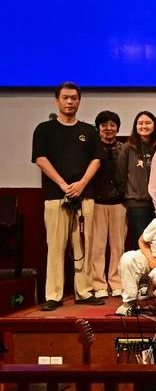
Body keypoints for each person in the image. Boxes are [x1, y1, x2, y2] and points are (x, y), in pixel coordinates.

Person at [33, 82, 104, 311]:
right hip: (56, 195)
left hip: (84, 196)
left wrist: (81, 184)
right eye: (65, 98)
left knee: (84, 244)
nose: (70, 102)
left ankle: (84, 291)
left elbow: (96, 160)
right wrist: (64, 185)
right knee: (55, 246)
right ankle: (54, 294)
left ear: (79, 101)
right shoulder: (44, 129)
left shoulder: (88, 131)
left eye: (74, 98)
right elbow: (41, 159)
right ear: (57, 100)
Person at [91, 110, 126, 299]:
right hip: (96, 202)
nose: (108, 129)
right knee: (97, 246)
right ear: (98, 128)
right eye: (104, 125)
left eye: (112, 125)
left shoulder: (124, 149)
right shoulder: (92, 148)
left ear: (118, 128)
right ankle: (98, 284)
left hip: (120, 203)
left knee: (118, 246)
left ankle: (117, 281)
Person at [117, 111, 156, 245]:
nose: (144, 126)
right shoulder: (128, 147)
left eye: (148, 123)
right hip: (136, 204)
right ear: (135, 126)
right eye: (140, 123)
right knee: (140, 242)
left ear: (154, 125)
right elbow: (120, 175)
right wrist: (128, 194)